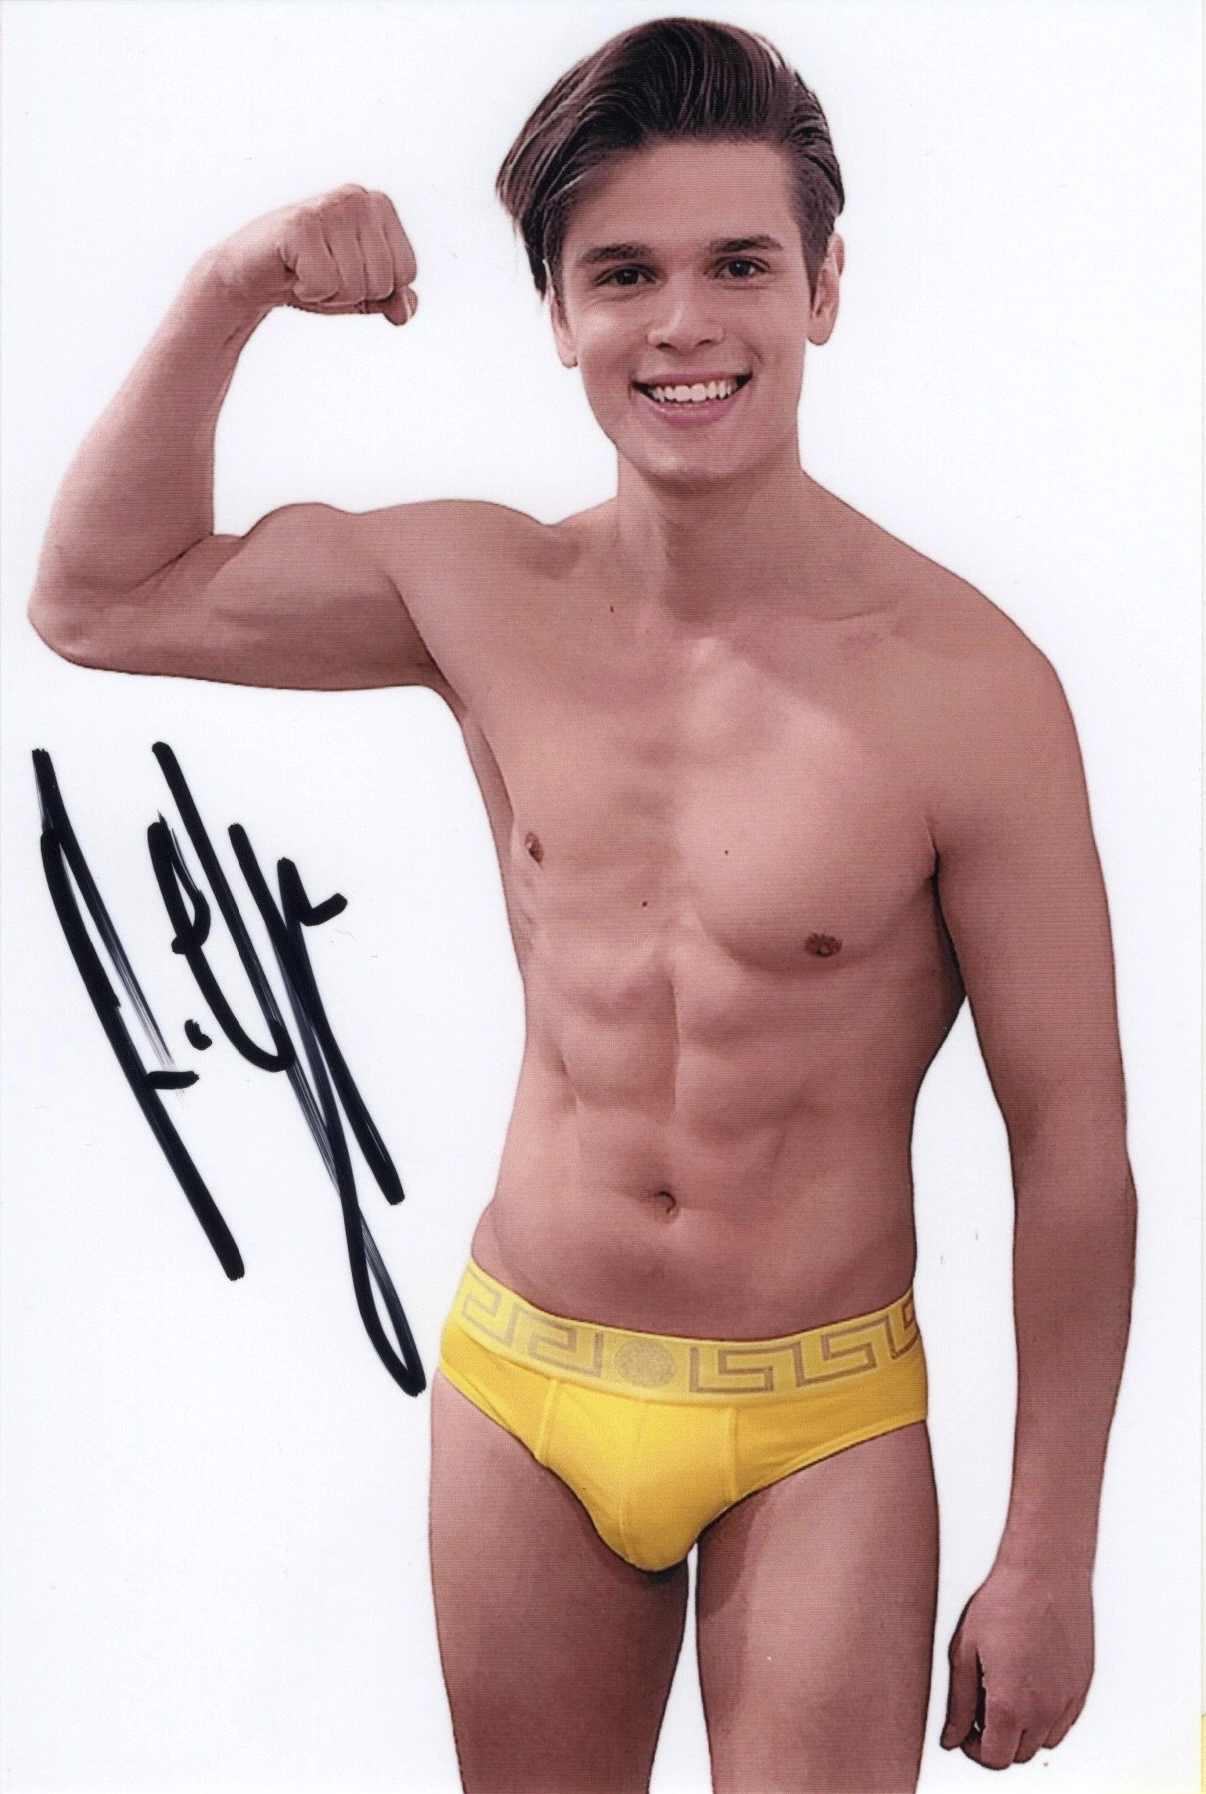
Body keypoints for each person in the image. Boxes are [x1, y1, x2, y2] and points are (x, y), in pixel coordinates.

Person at [27, 17, 1135, 1793]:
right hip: (522, 1385)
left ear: (821, 289)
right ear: (556, 314)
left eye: (737, 265)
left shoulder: (968, 687)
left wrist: (1049, 1550)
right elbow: (95, 597)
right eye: (623, 274)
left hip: (817, 1421)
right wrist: (232, 285)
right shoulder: (482, 588)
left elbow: (1069, 1140)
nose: (681, 322)